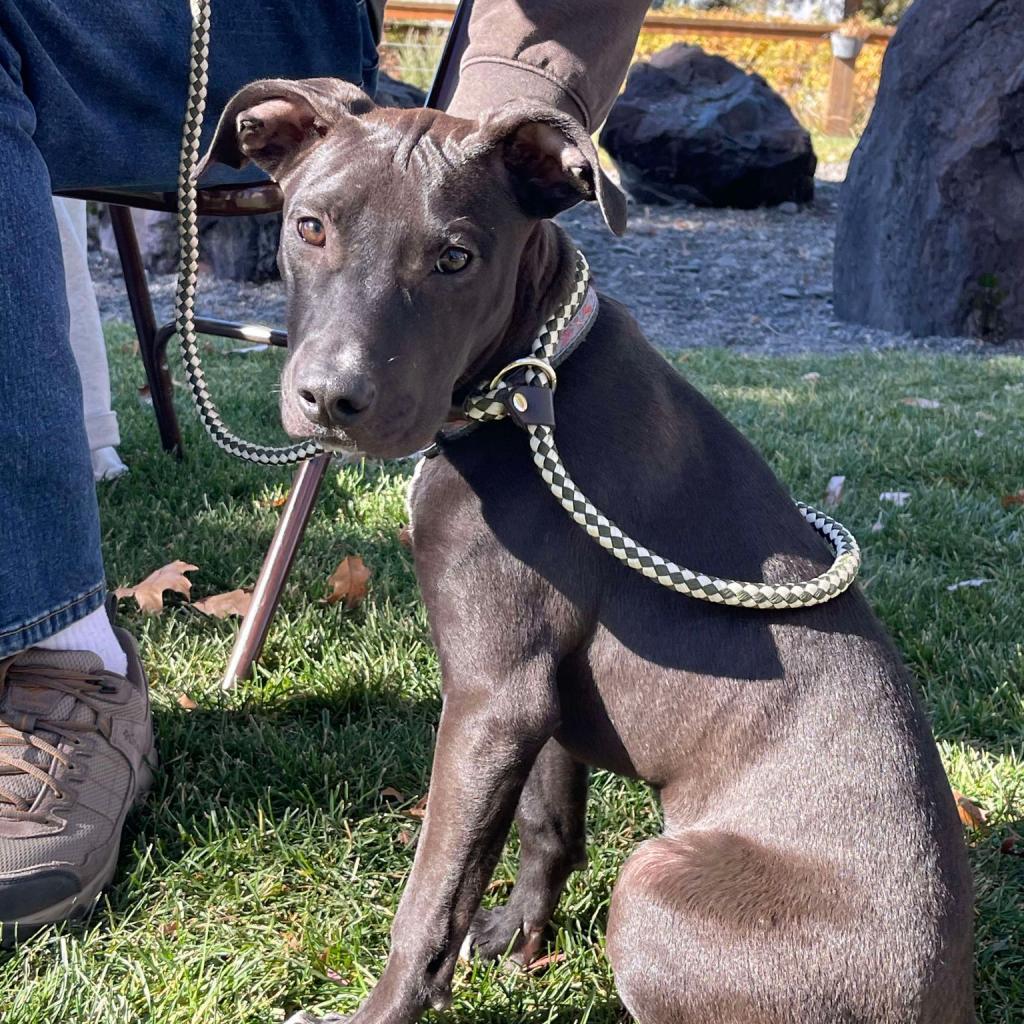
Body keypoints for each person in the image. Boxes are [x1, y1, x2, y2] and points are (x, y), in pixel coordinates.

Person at [0, 0, 649, 941]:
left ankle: (67, 666)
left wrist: (484, 153)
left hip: (243, 27)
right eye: (310, 232)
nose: (337, 379)